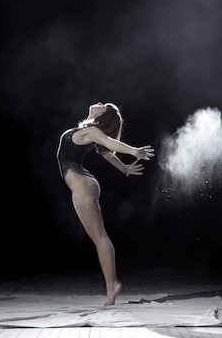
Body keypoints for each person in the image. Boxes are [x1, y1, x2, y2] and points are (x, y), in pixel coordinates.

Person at [56, 102, 155, 305]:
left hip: (82, 184)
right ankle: (112, 285)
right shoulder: (88, 132)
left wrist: (134, 151)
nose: (99, 103)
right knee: (99, 237)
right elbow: (106, 152)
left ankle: (112, 285)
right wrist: (125, 169)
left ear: (103, 117)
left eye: (104, 106)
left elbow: (110, 144)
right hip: (83, 183)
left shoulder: (92, 132)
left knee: (99, 237)